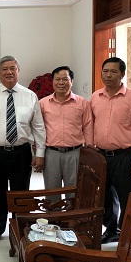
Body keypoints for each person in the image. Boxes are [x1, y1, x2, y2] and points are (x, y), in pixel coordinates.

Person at [0, 55, 46, 246]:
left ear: (18, 71)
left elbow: (38, 127)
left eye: (12, 68)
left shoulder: (30, 96)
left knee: (20, 193)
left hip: (21, 152)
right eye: (4, 69)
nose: (9, 72)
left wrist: (40, 154)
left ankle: (20, 229)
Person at [91, 57, 131, 244]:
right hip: (100, 155)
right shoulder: (95, 97)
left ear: (122, 74)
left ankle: (128, 234)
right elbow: (91, 125)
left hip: (124, 156)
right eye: (105, 71)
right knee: (105, 196)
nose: (108, 75)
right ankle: (111, 230)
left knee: (127, 197)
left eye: (113, 71)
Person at [39, 66, 93, 203]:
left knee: (74, 191)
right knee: (51, 193)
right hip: (51, 153)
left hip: (75, 153)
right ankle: (53, 221)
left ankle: (73, 223)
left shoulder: (82, 103)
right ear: (52, 81)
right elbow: (38, 129)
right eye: (57, 79)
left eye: (65, 79)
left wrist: (89, 154)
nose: (61, 83)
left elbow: (88, 127)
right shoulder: (43, 104)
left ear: (72, 81)